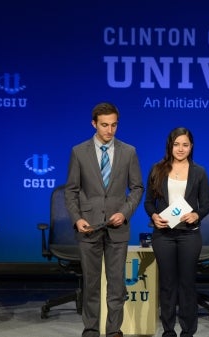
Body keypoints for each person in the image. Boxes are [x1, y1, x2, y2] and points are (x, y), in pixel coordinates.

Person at [65, 102, 144, 337]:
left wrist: (126, 212)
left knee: (117, 284)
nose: (110, 130)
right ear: (94, 124)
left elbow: (137, 188)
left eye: (114, 125)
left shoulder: (129, 151)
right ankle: (90, 329)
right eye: (104, 125)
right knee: (91, 284)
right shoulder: (79, 152)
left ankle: (113, 331)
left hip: (117, 227)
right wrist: (77, 219)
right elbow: (71, 190)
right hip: (88, 227)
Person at [143, 127, 209, 337]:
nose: (180, 149)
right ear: (170, 146)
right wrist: (154, 216)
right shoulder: (157, 169)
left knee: (187, 283)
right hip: (163, 235)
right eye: (176, 144)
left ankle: (188, 330)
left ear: (191, 147)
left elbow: (206, 205)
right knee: (167, 283)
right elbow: (148, 202)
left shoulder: (199, 172)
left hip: (189, 234)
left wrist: (196, 215)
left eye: (185, 145)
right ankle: (168, 329)